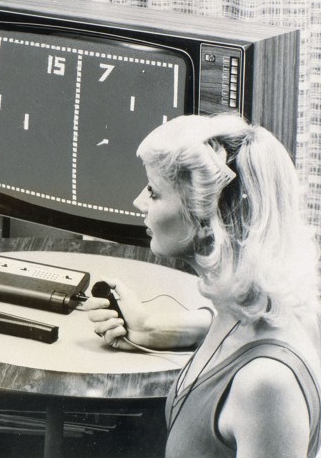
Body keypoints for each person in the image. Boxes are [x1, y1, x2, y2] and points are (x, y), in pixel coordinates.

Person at [85, 113, 321, 457]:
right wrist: (153, 328)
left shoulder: (267, 385)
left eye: (154, 192)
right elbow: (230, 327)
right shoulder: (268, 311)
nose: (139, 202)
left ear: (209, 217)